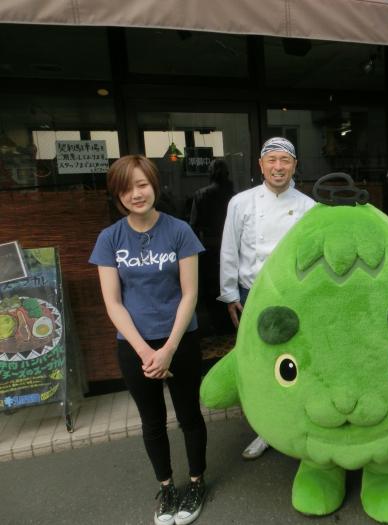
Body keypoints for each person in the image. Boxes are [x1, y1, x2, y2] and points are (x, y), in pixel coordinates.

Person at [89, 155, 208, 525]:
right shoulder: (109, 238)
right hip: (135, 348)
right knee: (152, 421)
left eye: (142, 184)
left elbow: (189, 294)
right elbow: (112, 301)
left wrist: (169, 349)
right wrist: (146, 352)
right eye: (126, 188)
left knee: (189, 416)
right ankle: (167, 487)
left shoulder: (179, 231)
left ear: (154, 185)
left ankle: (196, 481)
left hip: (180, 342)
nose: (136, 194)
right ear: (117, 195)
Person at [219, 137, 315, 459]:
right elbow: (229, 250)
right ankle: (265, 429)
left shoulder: (308, 207)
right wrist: (230, 293)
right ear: (261, 165)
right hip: (253, 293)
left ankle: (301, 423)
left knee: (297, 362)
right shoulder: (241, 203)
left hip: (294, 293)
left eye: (284, 161)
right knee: (260, 364)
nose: (278, 167)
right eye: (271, 160)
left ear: (294, 166)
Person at [190, 160, 235, 333]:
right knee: (231, 284)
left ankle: (216, 325)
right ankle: (231, 325)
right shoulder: (235, 196)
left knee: (211, 288)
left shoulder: (201, 195)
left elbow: (193, 225)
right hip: (232, 247)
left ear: (210, 174)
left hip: (209, 247)